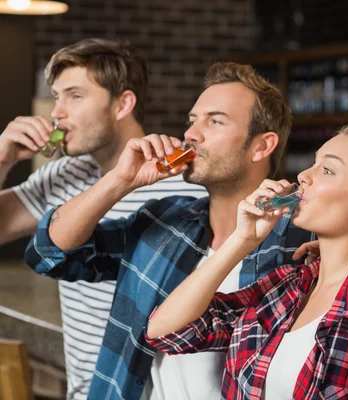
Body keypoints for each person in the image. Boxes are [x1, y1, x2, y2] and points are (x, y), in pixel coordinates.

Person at [24, 61, 315, 400]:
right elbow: (49, 255)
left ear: (261, 146)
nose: (191, 134)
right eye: (192, 120)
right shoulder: (164, 218)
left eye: (215, 121)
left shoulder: (302, 242)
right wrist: (120, 181)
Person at [145, 121, 348, 399]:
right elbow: (167, 332)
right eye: (314, 163)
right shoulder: (286, 286)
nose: (304, 176)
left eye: (328, 170)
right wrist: (241, 241)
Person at [0, 38, 207, 399]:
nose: (57, 112)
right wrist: (2, 158)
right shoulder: (62, 173)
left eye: (75, 96)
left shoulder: (182, 185)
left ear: (123, 104)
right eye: (56, 95)